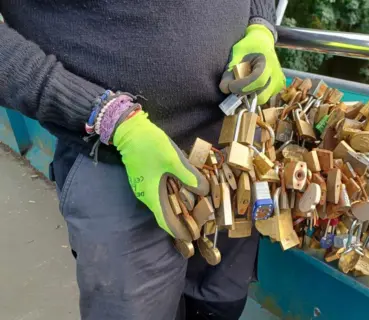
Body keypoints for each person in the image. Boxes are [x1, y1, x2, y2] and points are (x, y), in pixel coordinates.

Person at [0, 1, 285, 320]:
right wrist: (107, 118)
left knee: (222, 302)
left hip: (235, 149)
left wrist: (260, 25)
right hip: (114, 160)